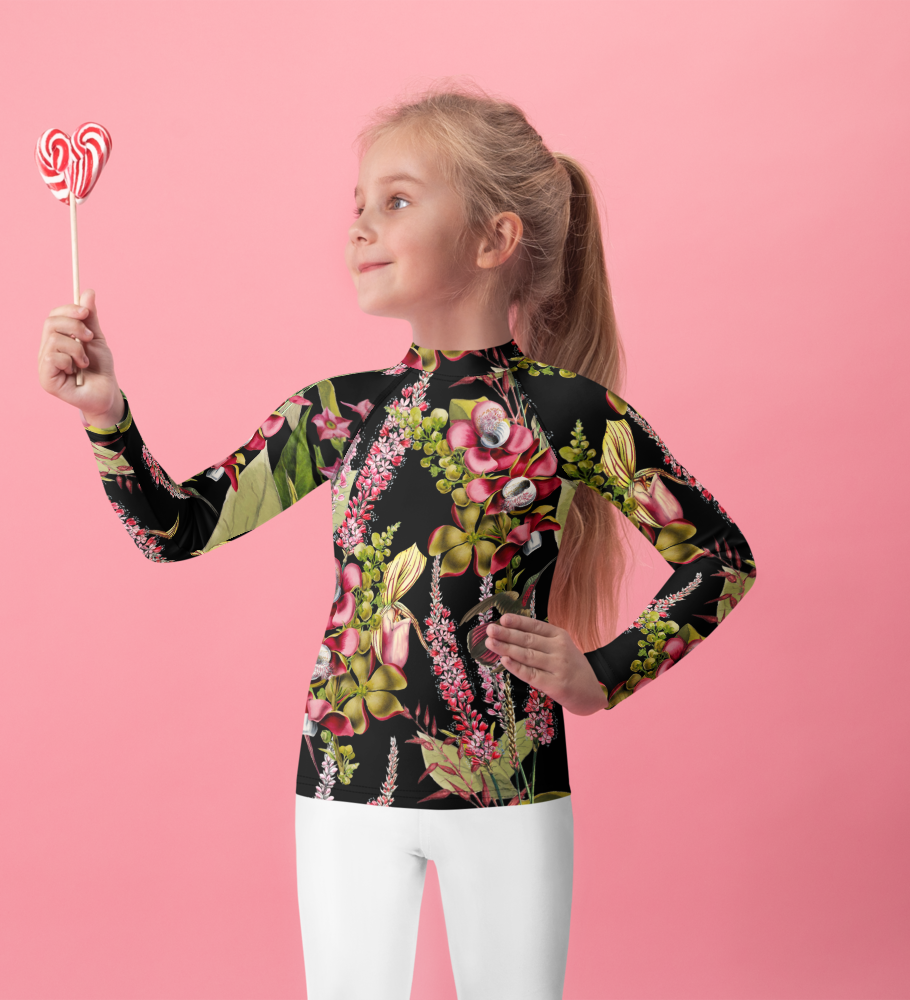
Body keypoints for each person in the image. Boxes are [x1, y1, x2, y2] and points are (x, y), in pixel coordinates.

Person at [37, 82, 757, 1000]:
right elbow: (176, 529)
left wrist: (605, 673)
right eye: (358, 205)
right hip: (343, 785)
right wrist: (106, 415)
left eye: (398, 201)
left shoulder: (571, 413)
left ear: (494, 239)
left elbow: (721, 557)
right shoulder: (335, 414)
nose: (360, 228)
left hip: (511, 785)